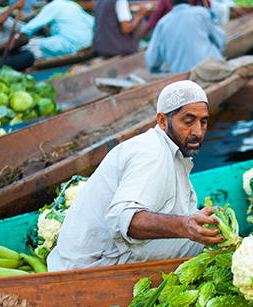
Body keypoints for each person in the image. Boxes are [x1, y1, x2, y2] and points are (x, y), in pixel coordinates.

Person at [47, 80, 225, 272]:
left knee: (196, 229)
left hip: (81, 258)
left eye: (203, 122)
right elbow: (123, 218)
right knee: (195, 243)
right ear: (163, 121)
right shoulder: (152, 153)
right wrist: (185, 226)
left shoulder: (166, 149)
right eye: (188, 122)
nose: (198, 132)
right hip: (90, 266)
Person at [145, 0, 226, 73]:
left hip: (181, 76)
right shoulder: (201, 13)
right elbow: (221, 40)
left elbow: (151, 61)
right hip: (212, 70)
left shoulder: (163, 23)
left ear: (170, 2)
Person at [13, 0, 94, 60]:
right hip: (88, 44)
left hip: (71, 46)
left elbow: (30, 28)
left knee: (35, 44)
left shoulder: (54, 5)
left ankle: (30, 67)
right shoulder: (73, 5)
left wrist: (16, 37)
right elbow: (92, 21)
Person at [144, 0, 209, 34]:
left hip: (189, 27)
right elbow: (156, 16)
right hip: (177, 28)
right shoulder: (201, 12)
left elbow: (208, 7)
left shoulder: (201, 12)